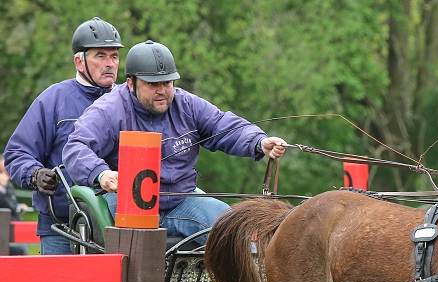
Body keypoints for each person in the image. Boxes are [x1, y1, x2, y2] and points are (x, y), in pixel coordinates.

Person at [63, 40, 287, 243]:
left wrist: (259, 141)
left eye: (167, 83)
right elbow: (76, 147)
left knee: (233, 230)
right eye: (152, 84)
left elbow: (222, 125)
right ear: (131, 83)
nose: (162, 91)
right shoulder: (108, 110)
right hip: (127, 201)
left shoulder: (186, 104)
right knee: (136, 251)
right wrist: (102, 174)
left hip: (181, 199)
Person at [3, 17, 123, 258]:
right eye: (101, 56)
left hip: (116, 225)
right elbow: (16, 154)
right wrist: (35, 175)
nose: (110, 63)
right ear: (79, 62)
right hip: (60, 226)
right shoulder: (53, 100)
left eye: (114, 56)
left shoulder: (128, 100)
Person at [0, 156, 29, 255]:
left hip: (13, 228)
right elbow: (6, 205)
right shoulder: (3, 186)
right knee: (21, 251)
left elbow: (12, 204)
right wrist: (2, 188)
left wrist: (19, 206)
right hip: (3, 230)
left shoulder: (8, 185)